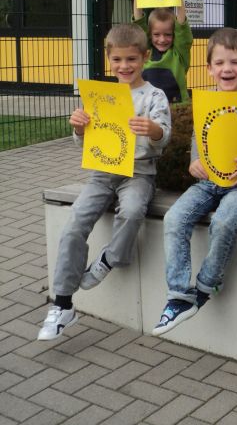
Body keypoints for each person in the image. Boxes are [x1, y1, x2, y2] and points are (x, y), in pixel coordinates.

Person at [38, 23, 171, 341]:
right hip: (102, 174)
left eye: (131, 60)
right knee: (74, 226)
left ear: (145, 57)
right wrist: (79, 127)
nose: (124, 66)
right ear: (108, 60)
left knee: (133, 210)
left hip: (138, 173)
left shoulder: (154, 95)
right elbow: (85, 143)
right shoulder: (101, 95)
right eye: (118, 60)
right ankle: (63, 305)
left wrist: (152, 130)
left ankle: (111, 258)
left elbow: (164, 137)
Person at [152, 28, 237, 335]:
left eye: (236, 62)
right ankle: (179, 296)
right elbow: (202, 132)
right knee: (174, 218)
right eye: (220, 63)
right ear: (210, 68)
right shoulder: (208, 100)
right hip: (208, 182)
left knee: (224, 222)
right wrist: (193, 160)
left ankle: (206, 285)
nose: (228, 69)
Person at [130, 0, 192, 103]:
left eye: (168, 34)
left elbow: (182, 28)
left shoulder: (178, 55)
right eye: (156, 34)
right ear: (149, 34)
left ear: (174, 35)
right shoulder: (145, 53)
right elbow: (138, 26)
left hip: (177, 111)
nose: (162, 39)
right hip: (148, 109)